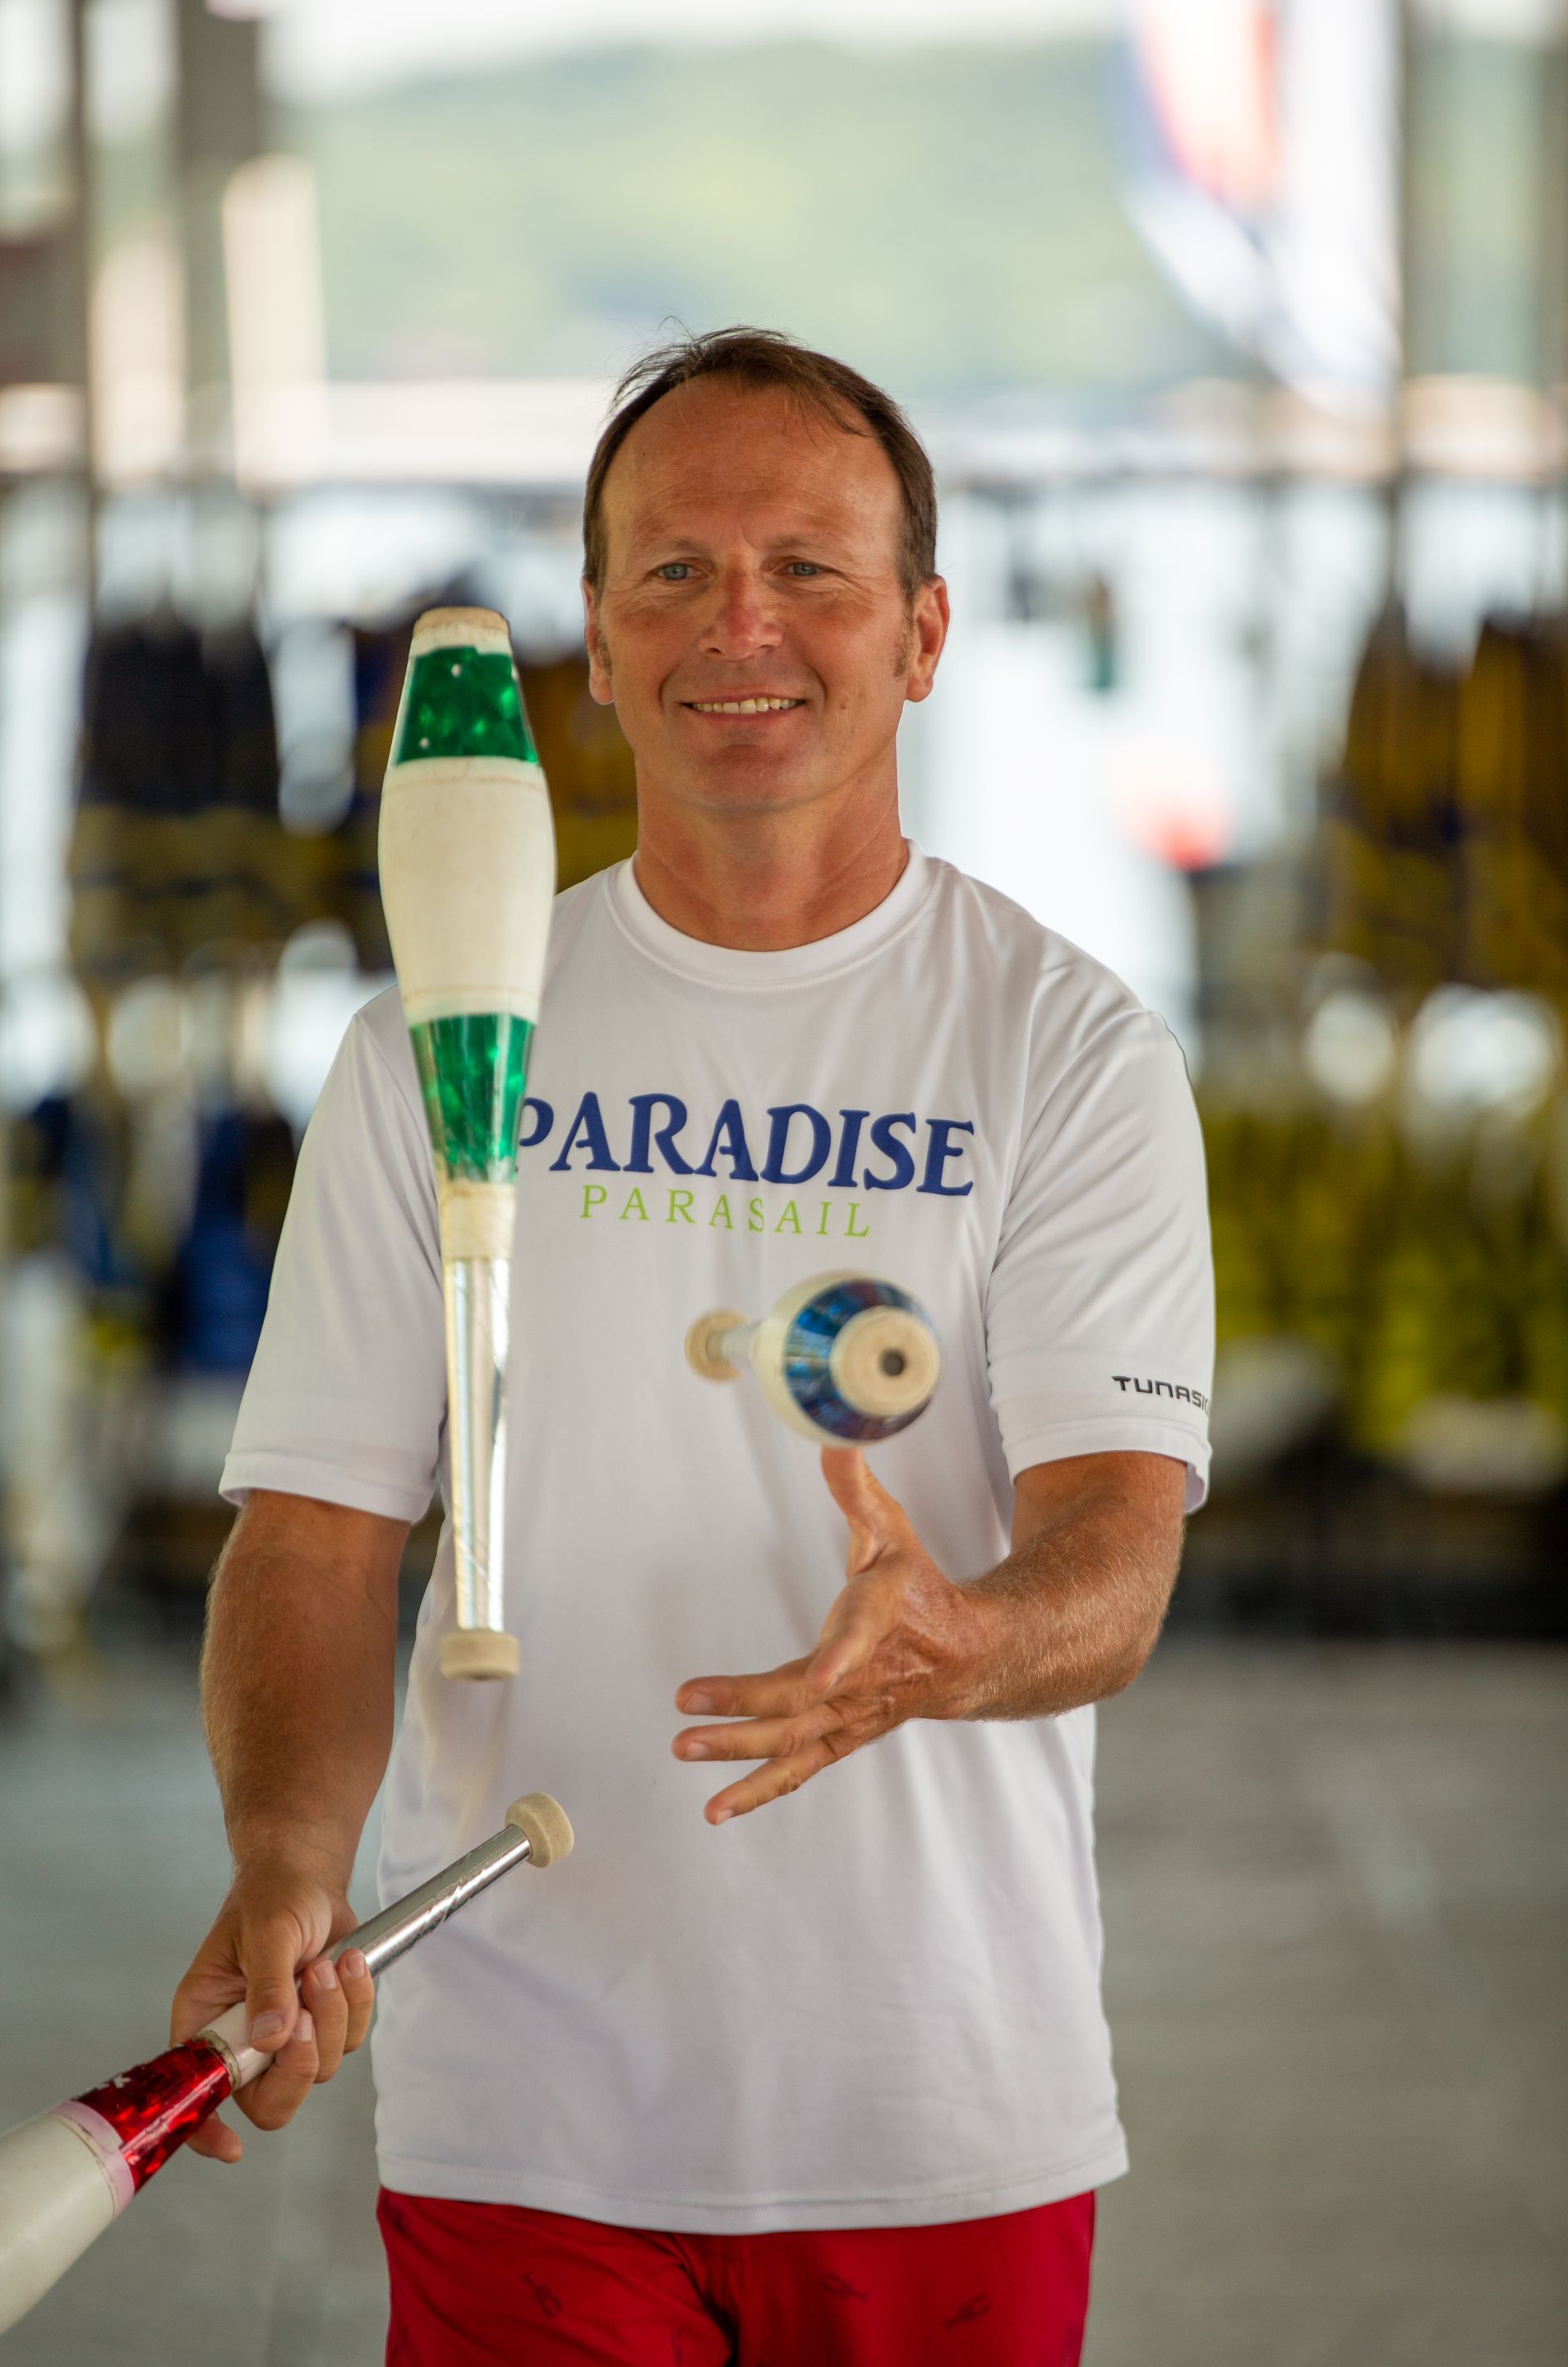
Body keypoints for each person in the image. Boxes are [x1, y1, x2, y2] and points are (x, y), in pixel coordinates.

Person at [174, 327, 1213, 2365]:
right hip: (522, 2103)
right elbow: (312, 1540)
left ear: (923, 632)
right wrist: (289, 1856)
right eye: (676, 571)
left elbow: (1118, 1542)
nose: (741, 625)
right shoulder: (421, 1057)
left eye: (808, 569)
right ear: (596, 635)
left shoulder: (1069, 1051)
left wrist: (969, 1640)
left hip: (938, 2108)